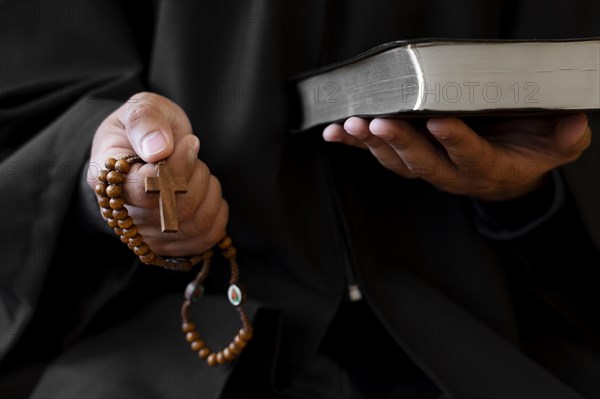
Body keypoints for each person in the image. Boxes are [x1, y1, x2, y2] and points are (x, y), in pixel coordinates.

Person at [1, 0, 599, 398]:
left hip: (491, 318)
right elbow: (39, 91)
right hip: (164, 333)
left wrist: (523, 190)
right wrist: (112, 184)